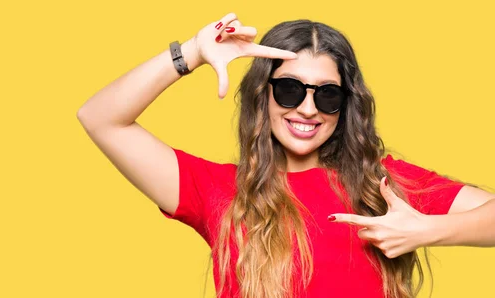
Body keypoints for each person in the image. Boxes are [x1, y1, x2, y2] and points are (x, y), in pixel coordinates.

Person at [76, 12, 495, 298]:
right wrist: (192, 53)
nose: (308, 109)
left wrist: (426, 231)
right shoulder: (218, 191)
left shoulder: (382, 187)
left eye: (327, 95)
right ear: (265, 95)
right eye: (290, 89)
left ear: (346, 106)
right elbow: (100, 118)